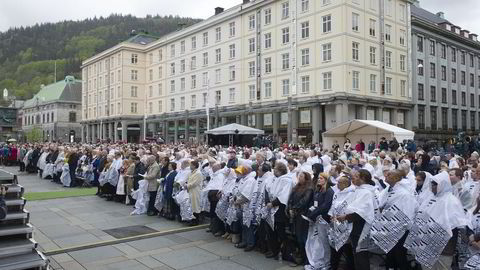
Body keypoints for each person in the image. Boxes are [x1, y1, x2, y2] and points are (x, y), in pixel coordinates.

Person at [405, 171, 469, 270]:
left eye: (435, 184)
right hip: (426, 243)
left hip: (444, 248)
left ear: (443, 184)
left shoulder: (451, 201)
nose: (432, 186)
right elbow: (421, 216)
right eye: (431, 183)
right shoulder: (429, 198)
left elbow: (458, 224)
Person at [372, 170, 417, 270]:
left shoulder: (404, 194)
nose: (386, 175)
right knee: (390, 253)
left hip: (400, 229)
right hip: (389, 226)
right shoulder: (389, 189)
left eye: (389, 174)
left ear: (396, 178)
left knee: (399, 255)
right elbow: (381, 202)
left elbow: (407, 212)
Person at [334, 169, 378, 270]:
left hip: (361, 227)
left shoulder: (366, 192)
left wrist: (345, 217)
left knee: (361, 255)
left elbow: (361, 213)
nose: (353, 178)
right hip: (355, 226)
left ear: (363, 179)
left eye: (357, 176)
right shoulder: (359, 190)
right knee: (357, 255)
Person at [304, 172, 334, 269]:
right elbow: (315, 204)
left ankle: (327, 263)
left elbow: (326, 206)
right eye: (318, 178)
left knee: (324, 242)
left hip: (323, 220)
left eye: (321, 178)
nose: (319, 179)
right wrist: (309, 212)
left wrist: (314, 214)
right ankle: (318, 262)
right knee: (317, 242)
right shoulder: (318, 190)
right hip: (316, 219)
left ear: (325, 179)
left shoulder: (329, 190)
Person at [265, 162, 294, 260]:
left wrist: (273, 203)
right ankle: (274, 251)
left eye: (276, 169)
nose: (274, 171)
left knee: (281, 233)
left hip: (280, 210)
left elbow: (283, 195)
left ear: (281, 170)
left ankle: (285, 253)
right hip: (272, 208)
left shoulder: (287, 180)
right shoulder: (277, 179)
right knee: (271, 231)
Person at [287, 171, 314, 266]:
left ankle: (306, 258)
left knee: (303, 237)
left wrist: (294, 208)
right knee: (297, 236)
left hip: (302, 215)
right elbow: (291, 198)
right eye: (299, 176)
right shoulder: (296, 187)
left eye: (301, 176)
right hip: (295, 214)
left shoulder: (309, 188)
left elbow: (304, 201)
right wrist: (290, 207)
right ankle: (301, 256)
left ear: (306, 178)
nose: (299, 178)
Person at [186, 160, 204, 225]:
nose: (190, 166)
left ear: (194, 166)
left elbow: (195, 183)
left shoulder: (198, 173)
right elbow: (188, 180)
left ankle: (196, 221)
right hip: (191, 191)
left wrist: (187, 186)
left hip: (195, 191)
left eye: (191, 165)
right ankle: (192, 219)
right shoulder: (192, 172)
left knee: (195, 206)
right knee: (192, 205)